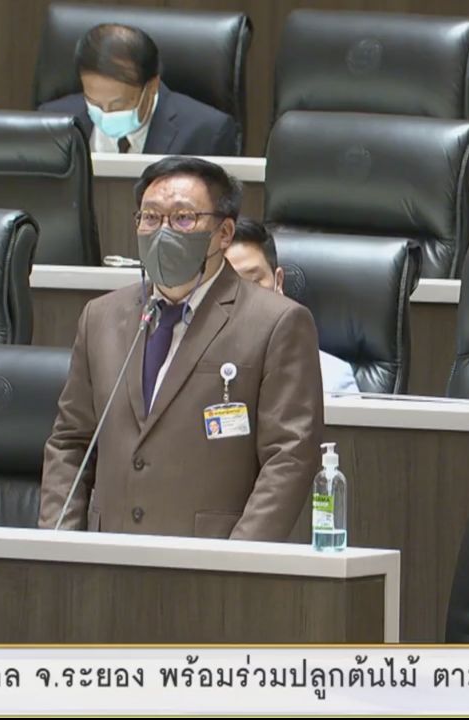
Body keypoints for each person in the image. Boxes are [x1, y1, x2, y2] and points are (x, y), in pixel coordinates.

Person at [39, 156, 323, 541]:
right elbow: (70, 443)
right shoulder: (100, 317)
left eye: (183, 218)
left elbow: (289, 456)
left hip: (209, 561)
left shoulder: (277, 322)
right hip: (107, 557)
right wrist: (58, 547)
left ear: (224, 233)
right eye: (151, 217)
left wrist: (237, 562)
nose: (163, 231)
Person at [37, 23, 239, 156]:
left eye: (118, 104)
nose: (106, 114)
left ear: (151, 87)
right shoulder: (52, 122)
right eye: (94, 103)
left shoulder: (206, 132)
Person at [225, 219, 360, 394]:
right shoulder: (194, 370)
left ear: (278, 282)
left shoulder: (331, 379)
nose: (241, 296)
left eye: (254, 281)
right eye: (227, 286)